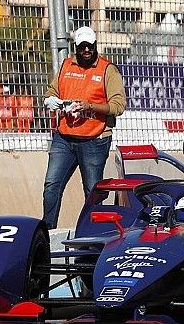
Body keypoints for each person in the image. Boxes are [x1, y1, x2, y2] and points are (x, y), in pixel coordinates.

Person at [42, 26, 126, 229]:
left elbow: (118, 105)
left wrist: (90, 106)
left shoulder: (108, 70)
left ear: (95, 44)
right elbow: (52, 90)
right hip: (64, 138)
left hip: (94, 140)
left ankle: (90, 233)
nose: (86, 50)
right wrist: (50, 100)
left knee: (92, 191)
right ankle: (47, 232)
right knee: (51, 186)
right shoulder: (66, 66)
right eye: (82, 47)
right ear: (76, 48)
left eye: (90, 46)